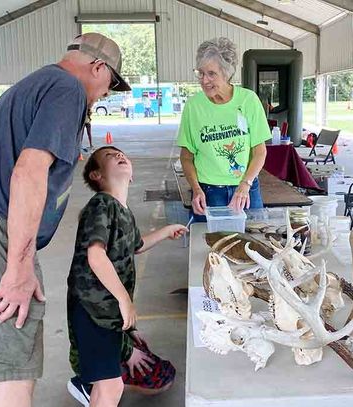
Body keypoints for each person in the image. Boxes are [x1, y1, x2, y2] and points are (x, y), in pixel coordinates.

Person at [0, 32, 131, 407]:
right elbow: (28, 172)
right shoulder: (67, 89)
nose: (107, 93)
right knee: (13, 366)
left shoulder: (44, 82)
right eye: (111, 83)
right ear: (98, 67)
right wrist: (19, 267)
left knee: (3, 361)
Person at [66, 146, 186, 406]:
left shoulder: (123, 212)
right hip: (93, 307)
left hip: (106, 312)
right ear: (97, 175)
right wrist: (124, 300)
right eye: (110, 156)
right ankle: (90, 381)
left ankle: (90, 379)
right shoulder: (101, 205)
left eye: (122, 155)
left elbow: (137, 245)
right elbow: (95, 256)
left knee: (129, 381)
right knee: (111, 387)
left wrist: (166, 231)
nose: (119, 156)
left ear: (130, 175)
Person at [177, 37, 271, 220]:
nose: (204, 80)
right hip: (208, 193)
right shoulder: (193, 106)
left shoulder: (248, 100)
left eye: (212, 74)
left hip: (245, 190)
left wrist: (245, 184)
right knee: (210, 246)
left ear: (226, 73)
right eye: (200, 73)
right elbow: (186, 156)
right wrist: (196, 189)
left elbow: (260, 152)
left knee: (254, 241)